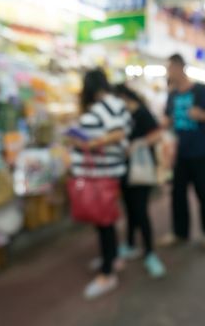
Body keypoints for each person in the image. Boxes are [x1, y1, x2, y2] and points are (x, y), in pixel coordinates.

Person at [69, 69, 131, 300]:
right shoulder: (112, 104)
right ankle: (111, 258)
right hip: (102, 172)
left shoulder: (108, 104)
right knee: (105, 220)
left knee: (104, 221)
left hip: (101, 174)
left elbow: (117, 133)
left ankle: (108, 273)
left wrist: (90, 143)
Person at [162, 54, 205, 249]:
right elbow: (168, 118)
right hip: (179, 152)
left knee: (204, 194)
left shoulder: (202, 91)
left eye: (169, 68)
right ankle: (180, 232)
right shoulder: (172, 95)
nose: (168, 72)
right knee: (177, 195)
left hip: (200, 152)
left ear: (178, 67)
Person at [113, 84, 166, 278]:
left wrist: (138, 144)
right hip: (126, 170)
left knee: (141, 211)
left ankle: (150, 253)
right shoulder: (122, 116)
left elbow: (158, 134)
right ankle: (130, 244)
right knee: (130, 209)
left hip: (141, 171)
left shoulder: (142, 113)